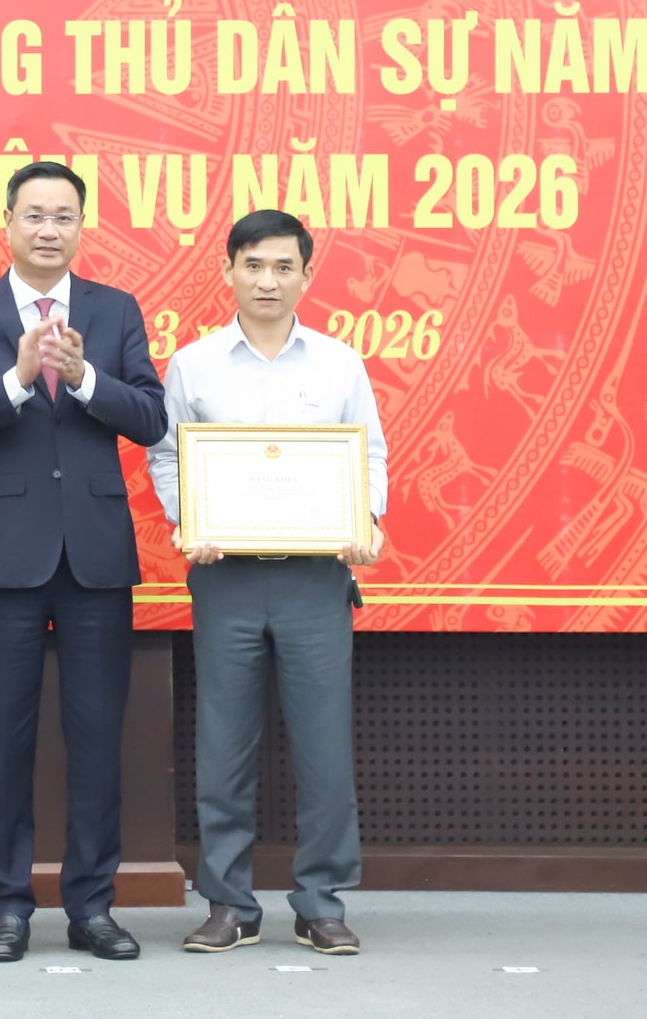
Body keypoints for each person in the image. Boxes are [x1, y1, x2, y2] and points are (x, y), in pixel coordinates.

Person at [0, 161, 166, 963]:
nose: (49, 229)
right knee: (3, 739)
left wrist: (85, 376)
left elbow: (151, 416)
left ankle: (93, 906)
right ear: (6, 223)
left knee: (97, 739)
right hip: (4, 558)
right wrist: (19, 379)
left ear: (82, 227)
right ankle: (7, 906)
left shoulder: (114, 308)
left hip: (96, 557)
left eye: (64, 215)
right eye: (34, 214)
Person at [147, 209, 386, 958]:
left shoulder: (340, 364)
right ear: (228, 272)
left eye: (284, 266)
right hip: (227, 579)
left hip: (317, 580)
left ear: (307, 276)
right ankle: (229, 904)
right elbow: (167, 456)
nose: (267, 280)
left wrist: (365, 519)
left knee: (324, 749)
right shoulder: (194, 364)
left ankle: (321, 902)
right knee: (223, 748)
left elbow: (370, 455)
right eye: (253, 265)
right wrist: (190, 518)